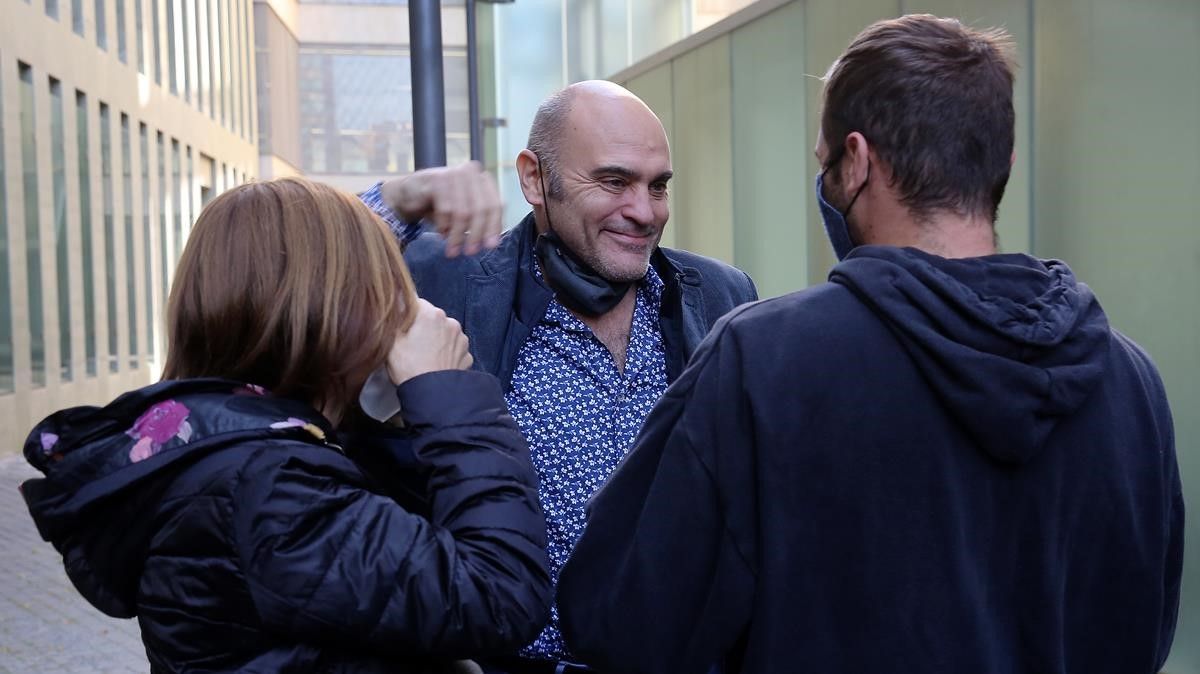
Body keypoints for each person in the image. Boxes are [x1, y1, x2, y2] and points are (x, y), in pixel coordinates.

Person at [556, 15, 1183, 674]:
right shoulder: (1132, 383)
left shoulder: (761, 363)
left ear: (856, 162)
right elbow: (1146, 626)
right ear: (1003, 163)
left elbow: (619, 618)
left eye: (826, 163)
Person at [21, 178, 552, 673]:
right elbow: (498, 594)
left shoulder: (228, 444)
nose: (397, 311)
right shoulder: (270, 488)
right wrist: (445, 392)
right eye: (383, 288)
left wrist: (395, 198)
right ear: (332, 310)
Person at [358, 80, 759, 672]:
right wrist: (400, 197)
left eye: (659, 186)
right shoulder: (444, 283)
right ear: (533, 178)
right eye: (614, 181)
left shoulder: (722, 294)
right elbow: (287, 289)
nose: (644, 212)